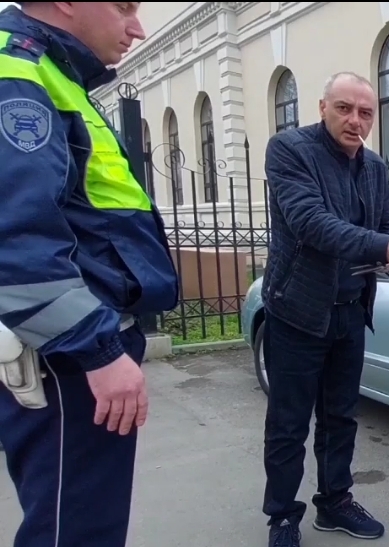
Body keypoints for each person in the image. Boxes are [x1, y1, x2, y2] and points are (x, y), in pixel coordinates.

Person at [0, 3, 179, 547]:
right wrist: (97, 351)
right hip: (68, 355)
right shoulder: (21, 74)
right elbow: (16, 240)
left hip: (76, 342)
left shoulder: (52, 74)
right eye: (124, 5)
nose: (138, 28)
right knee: (74, 530)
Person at [260, 71, 389, 547]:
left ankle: (334, 502)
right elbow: (312, 224)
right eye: (344, 109)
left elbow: (385, 225)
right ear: (322, 107)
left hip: (350, 310)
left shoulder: (374, 167)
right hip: (296, 311)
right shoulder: (289, 151)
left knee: (341, 417)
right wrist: (382, 245)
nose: (355, 121)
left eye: (366, 113)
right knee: (288, 425)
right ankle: (283, 517)